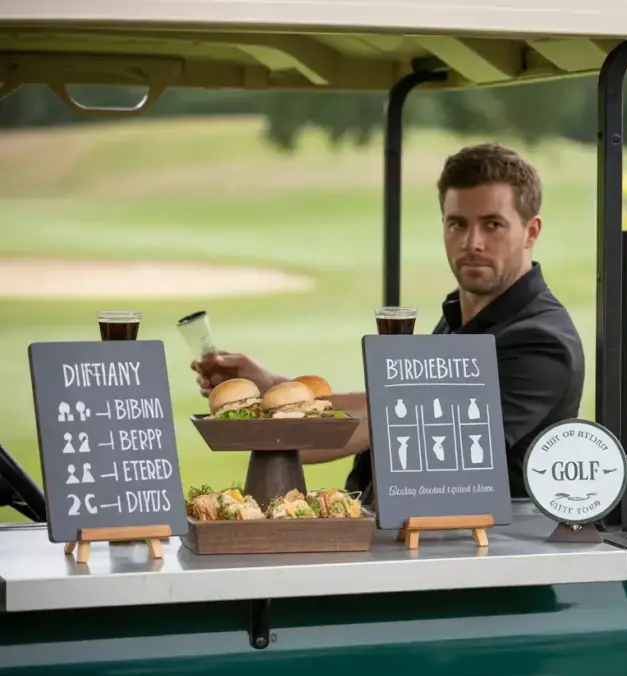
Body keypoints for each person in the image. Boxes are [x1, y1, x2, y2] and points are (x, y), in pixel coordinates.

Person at [193, 142, 585, 502]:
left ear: (531, 232)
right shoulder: (461, 317)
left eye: (493, 225)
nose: (472, 243)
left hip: (483, 546)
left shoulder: (540, 342)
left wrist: (279, 420)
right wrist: (276, 389)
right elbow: (395, 405)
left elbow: (420, 432)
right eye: (457, 224)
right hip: (407, 532)